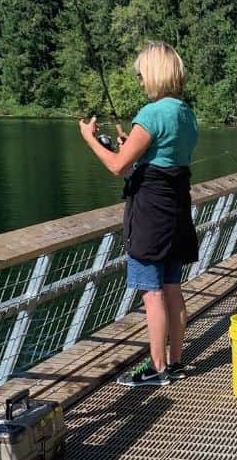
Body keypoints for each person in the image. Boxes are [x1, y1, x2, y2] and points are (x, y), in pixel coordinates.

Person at [79, 42, 199, 387]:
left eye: (141, 72)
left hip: (150, 213)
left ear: (154, 72)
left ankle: (157, 369)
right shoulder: (185, 113)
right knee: (173, 288)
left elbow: (118, 165)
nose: (139, 78)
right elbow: (163, 155)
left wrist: (91, 139)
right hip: (177, 209)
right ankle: (175, 362)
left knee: (152, 293)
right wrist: (133, 142)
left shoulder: (150, 114)